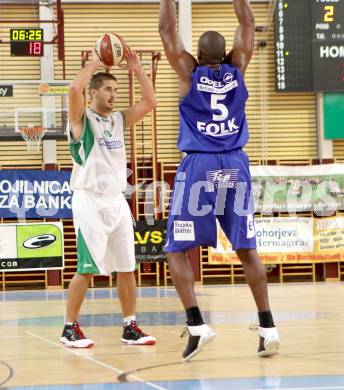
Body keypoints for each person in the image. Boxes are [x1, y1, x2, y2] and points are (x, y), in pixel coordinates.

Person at [159, 0, 279, 361]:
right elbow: (248, 21)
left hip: (199, 166)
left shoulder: (187, 72)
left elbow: (167, 31)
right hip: (236, 164)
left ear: (196, 55)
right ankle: (269, 328)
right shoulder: (239, 66)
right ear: (227, 53)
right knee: (247, 251)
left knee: (175, 250)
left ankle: (197, 326)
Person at [60, 47, 157, 347]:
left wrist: (138, 68)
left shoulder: (117, 120)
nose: (113, 94)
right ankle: (69, 328)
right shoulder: (81, 120)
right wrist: (92, 64)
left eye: (115, 89)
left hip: (117, 201)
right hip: (89, 200)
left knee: (127, 267)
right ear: (94, 93)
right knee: (86, 269)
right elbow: (75, 87)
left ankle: (130, 326)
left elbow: (150, 102)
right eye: (107, 89)